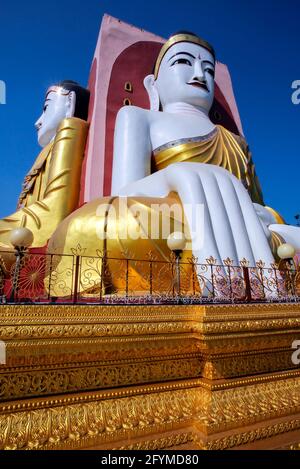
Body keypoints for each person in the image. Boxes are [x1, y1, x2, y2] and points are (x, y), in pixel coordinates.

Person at [47, 34, 299, 296]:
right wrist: (175, 175)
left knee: (278, 234)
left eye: (209, 69)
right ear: (153, 84)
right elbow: (123, 192)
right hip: (175, 220)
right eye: (183, 62)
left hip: (243, 227)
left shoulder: (236, 141)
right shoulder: (140, 117)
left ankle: (229, 271)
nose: (200, 74)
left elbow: (258, 206)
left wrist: (266, 215)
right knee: (88, 225)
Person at [0, 80, 89, 250]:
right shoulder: (46, 150)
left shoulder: (70, 130)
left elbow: (56, 209)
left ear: (70, 102)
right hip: (22, 235)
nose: (37, 122)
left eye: (46, 108)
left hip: (38, 237)